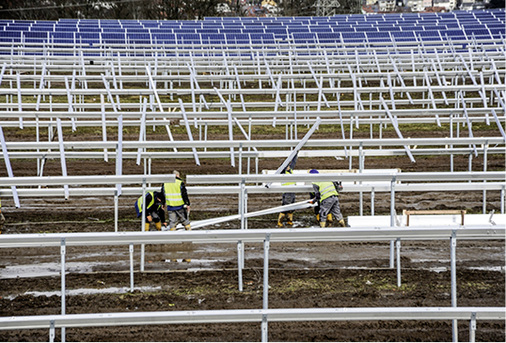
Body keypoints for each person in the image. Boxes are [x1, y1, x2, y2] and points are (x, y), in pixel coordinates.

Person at [277, 154, 298, 228]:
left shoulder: (290, 170)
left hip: (292, 191)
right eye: (287, 166)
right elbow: (282, 167)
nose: (289, 167)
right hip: (287, 192)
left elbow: (294, 162)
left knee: (292, 207)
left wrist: (295, 154)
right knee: (286, 207)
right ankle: (280, 221)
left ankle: (290, 221)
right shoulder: (283, 172)